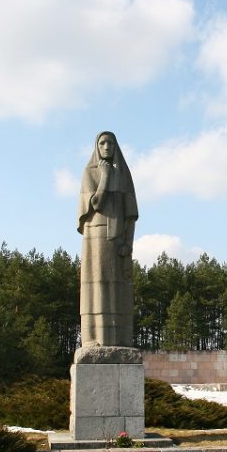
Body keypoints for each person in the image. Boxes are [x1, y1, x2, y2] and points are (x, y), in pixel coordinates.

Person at [77, 131, 138, 348]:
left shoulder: (123, 174)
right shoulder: (90, 172)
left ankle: (119, 340)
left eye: (110, 142)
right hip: (95, 237)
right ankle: (93, 339)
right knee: (96, 284)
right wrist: (104, 178)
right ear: (97, 146)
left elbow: (131, 215)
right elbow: (94, 204)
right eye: (102, 142)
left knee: (116, 286)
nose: (106, 146)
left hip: (117, 238)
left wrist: (128, 244)